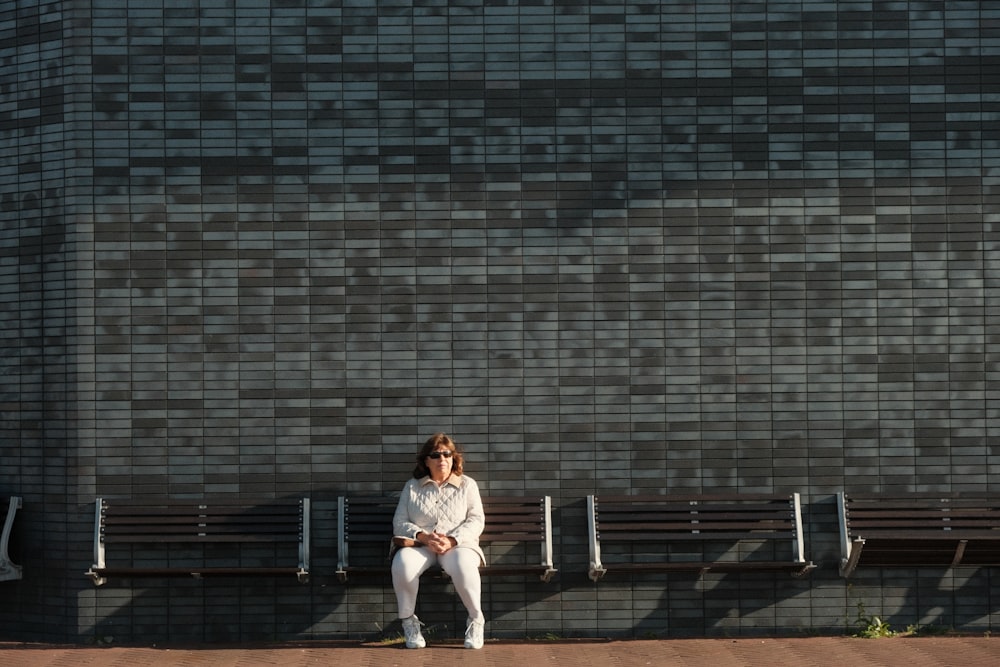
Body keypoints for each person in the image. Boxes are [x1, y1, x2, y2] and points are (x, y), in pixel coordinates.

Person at [391, 433, 486, 649]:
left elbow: (476, 519)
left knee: (464, 565)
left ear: (454, 458)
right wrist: (423, 536)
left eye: (447, 454)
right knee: (403, 564)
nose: (442, 459)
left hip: (457, 546)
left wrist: (453, 540)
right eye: (435, 454)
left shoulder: (467, 485)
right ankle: (409, 622)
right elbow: (399, 521)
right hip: (421, 546)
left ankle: (476, 619)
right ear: (426, 460)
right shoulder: (412, 486)